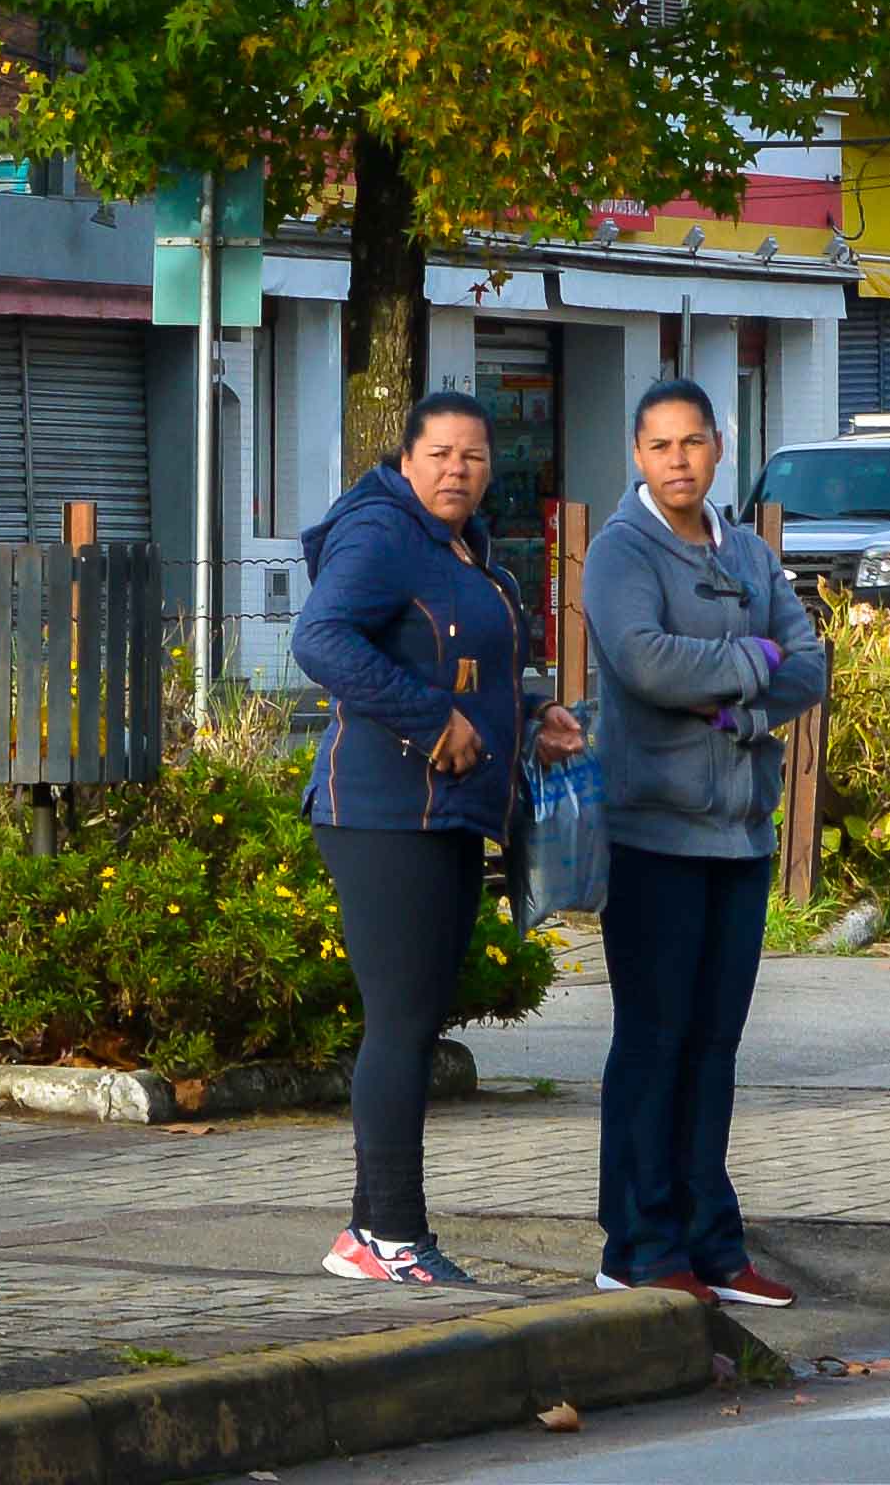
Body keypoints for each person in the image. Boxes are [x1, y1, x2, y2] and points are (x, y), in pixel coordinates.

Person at [294, 385, 572, 1290]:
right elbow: (321, 639)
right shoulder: (382, 533)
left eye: (475, 457)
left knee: (413, 1022)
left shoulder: (463, 546)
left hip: (450, 811)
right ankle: (394, 1238)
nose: (458, 470)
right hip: (383, 813)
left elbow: (470, 665)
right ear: (406, 459)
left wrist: (535, 712)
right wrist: (429, 720)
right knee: (402, 1027)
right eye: (441, 455)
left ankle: (363, 1233)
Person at [582, 375, 829, 1311]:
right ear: (636, 456)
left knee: (714, 1048)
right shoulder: (620, 551)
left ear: (718, 447)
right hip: (653, 833)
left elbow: (808, 664)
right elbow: (644, 661)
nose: (678, 461)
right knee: (654, 1039)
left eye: (692, 443)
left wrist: (741, 700)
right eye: (659, 446)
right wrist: (751, 664)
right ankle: (637, 1245)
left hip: (740, 835)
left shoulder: (752, 552)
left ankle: (712, 1243)